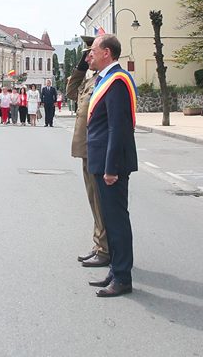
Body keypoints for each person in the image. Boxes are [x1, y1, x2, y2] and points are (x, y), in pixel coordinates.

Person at [84, 34, 137, 297]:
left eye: (93, 51)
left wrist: (111, 167)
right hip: (101, 159)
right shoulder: (105, 79)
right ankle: (115, 271)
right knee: (110, 219)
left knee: (117, 222)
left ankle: (123, 277)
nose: (89, 56)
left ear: (107, 52)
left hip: (111, 164)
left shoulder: (117, 81)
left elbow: (118, 128)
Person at [66, 36, 109, 270]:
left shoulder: (107, 81)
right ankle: (99, 243)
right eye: (86, 54)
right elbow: (72, 91)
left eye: (90, 52)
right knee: (94, 199)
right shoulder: (92, 79)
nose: (88, 56)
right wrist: (81, 67)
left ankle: (105, 248)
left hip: (96, 148)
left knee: (100, 201)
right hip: (86, 148)